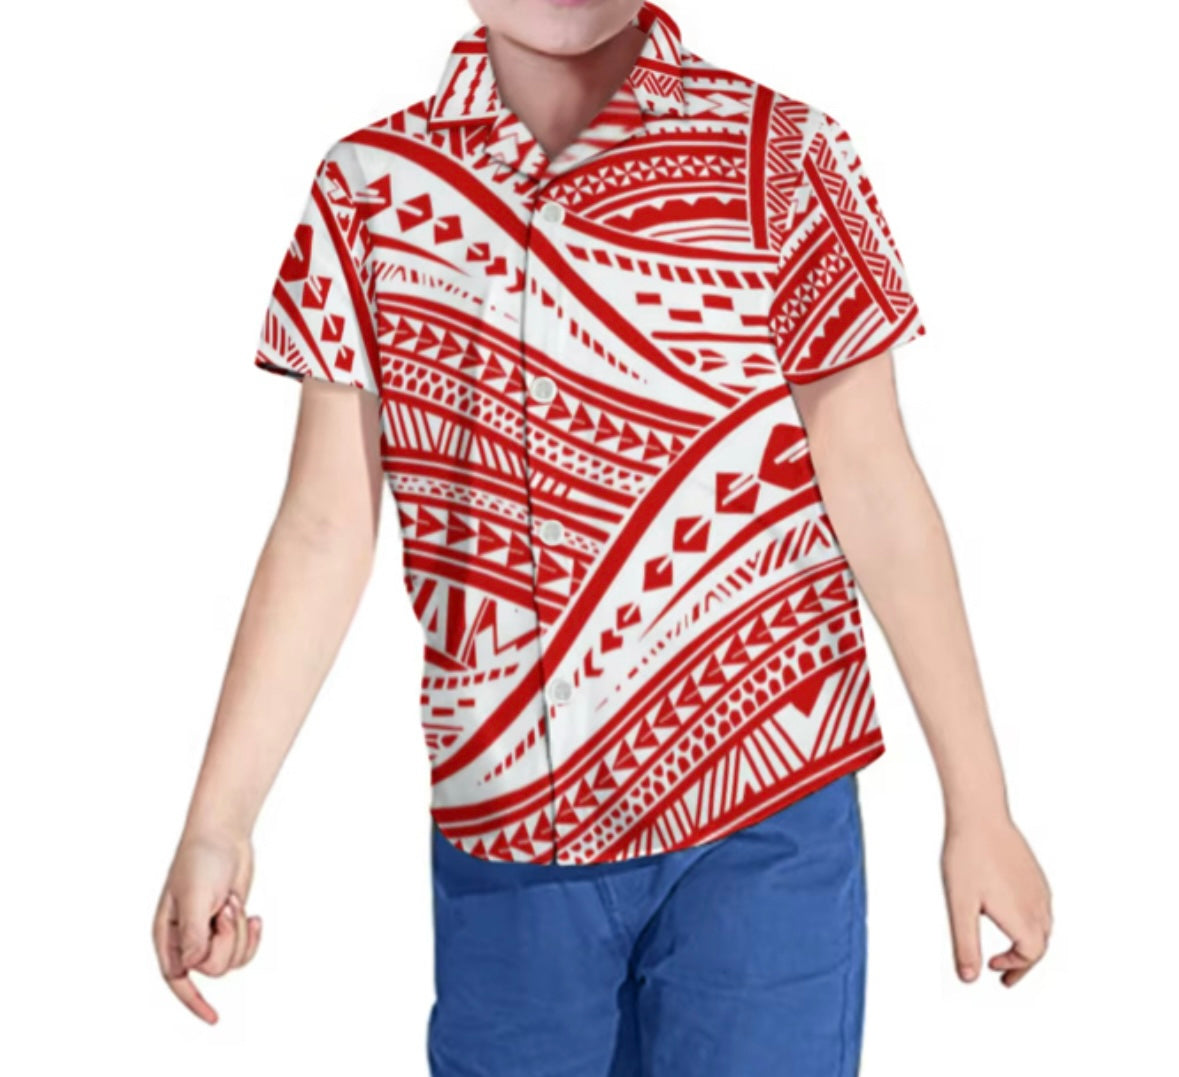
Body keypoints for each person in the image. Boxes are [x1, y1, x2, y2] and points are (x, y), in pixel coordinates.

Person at [153, 1, 1053, 1072]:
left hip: (763, 819)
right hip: (507, 841)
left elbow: (878, 487)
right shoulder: (370, 193)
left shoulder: (780, 158)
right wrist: (219, 817)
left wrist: (979, 804)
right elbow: (321, 528)